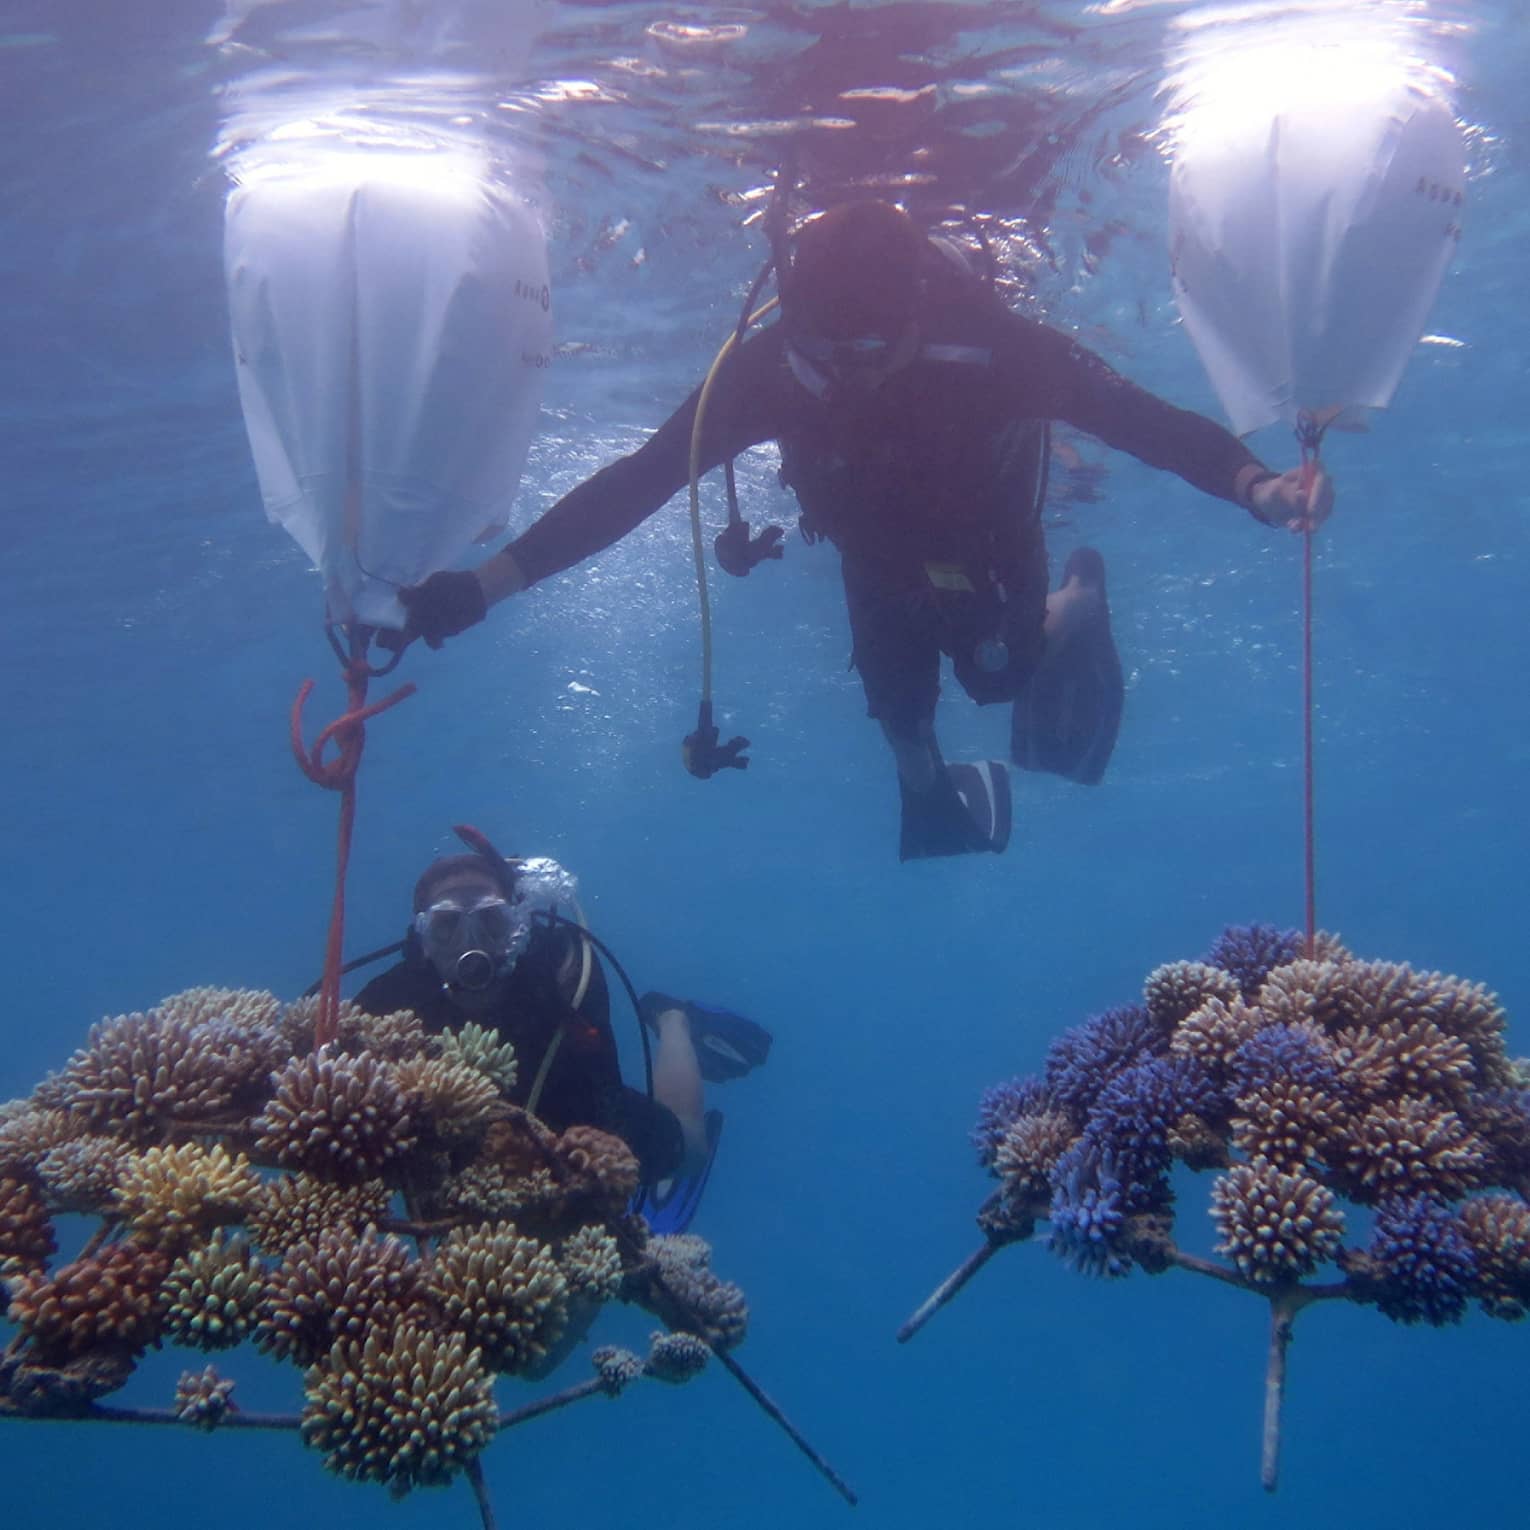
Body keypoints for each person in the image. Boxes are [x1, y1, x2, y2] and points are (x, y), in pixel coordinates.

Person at [396, 201, 1335, 860]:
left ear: (918, 318)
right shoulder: (763, 371)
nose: (842, 373)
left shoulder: (998, 350)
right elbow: (637, 484)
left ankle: (1080, 595)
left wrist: (1255, 485)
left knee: (996, 677)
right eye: (820, 350)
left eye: (869, 351)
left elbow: (1142, 420)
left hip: (991, 539)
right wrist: (483, 586)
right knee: (900, 724)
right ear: (792, 323)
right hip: (871, 553)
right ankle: (929, 780)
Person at [354, 827, 771, 1231]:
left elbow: (603, 1094)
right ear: (422, 939)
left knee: (691, 1152)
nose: (471, 942)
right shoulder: (389, 998)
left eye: (491, 921)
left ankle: (673, 1018)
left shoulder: (564, 971)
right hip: (462, 1145)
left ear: (518, 925)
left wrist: (595, 1179)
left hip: (573, 1101)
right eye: (447, 925)